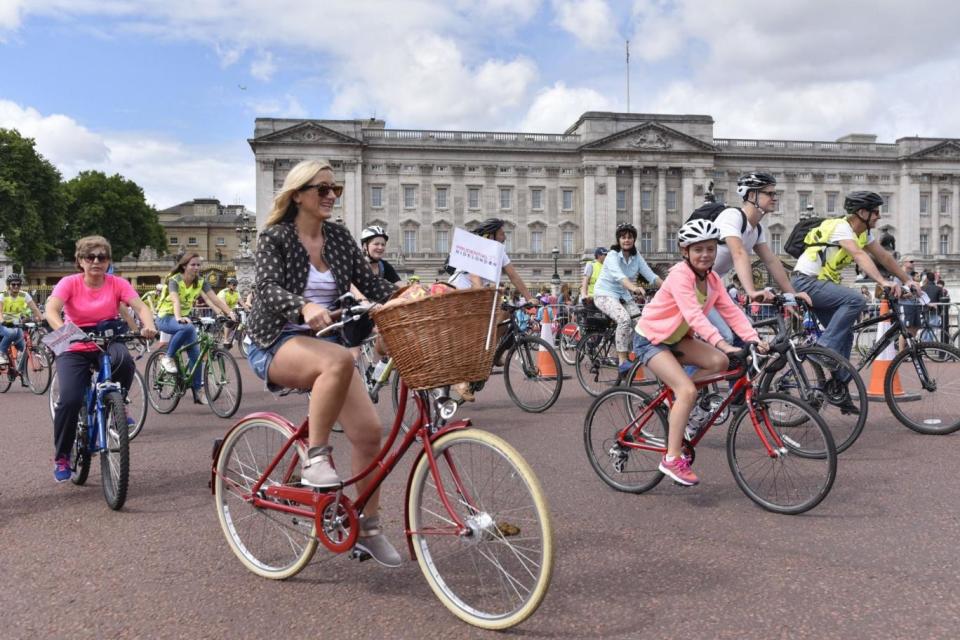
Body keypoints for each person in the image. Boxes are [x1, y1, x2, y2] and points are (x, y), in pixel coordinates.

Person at [244, 159, 400, 566]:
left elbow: (372, 285)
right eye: (323, 189)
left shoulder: (338, 236)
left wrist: (413, 294)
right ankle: (316, 458)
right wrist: (305, 304)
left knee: (369, 434)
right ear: (298, 194)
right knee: (337, 360)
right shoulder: (274, 237)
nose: (332, 195)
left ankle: (368, 529)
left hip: (318, 342)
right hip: (272, 339)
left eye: (336, 189)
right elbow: (265, 287)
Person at [634, 219, 767, 486]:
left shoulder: (714, 279)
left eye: (710, 248)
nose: (705, 254)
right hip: (651, 339)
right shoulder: (679, 276)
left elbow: (731, 312)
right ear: (685, 252)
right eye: (698, 250)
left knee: (720, 362)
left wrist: (754, 339)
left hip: (678, 338)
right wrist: (724, 343)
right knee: (688, 391)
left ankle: (677, 398)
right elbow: (694, 316)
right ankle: (671, 458)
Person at [44, 236, 158, 482]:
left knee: (124, 360)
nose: (96, 261)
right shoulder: (69, 283)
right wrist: (65, 332)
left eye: (102, 257)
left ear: (108, 261)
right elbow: (51, 310)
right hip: (75, 343)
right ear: (80, 261)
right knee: (70, 399)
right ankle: (62, 455)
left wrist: (148, 325)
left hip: (106, 339)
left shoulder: (117, 283)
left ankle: (118, 401)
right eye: (90, 257)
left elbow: (140, 307)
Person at [791, 191, 918, 364]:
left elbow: (885, 257)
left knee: (845, 335)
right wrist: (882, 281)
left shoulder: (863, 234)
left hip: (820, 284)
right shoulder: (841, 227)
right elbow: (858, 255)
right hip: (806, 282)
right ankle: (822, 348)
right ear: (862, 213)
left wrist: (908, 280)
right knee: (856, 300)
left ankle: (837, 386)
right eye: (875, 212)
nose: (879, 216)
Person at [710, 172, 812, 343]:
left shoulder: (756, 229)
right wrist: (751, 291)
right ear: (751, 195)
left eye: (774, 193)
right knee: (725, 337)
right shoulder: (732, 216)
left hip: (713, 287)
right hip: (695, 287)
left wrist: (792, 295)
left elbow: (771, 260)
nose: (775, 198)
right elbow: (739, 252)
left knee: (746, 331)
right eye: (769, 193)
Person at [448, 218, 536, 400]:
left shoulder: (499, 253)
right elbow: (476, 282)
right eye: (502, 233)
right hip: (460, 295)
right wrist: (491, 290)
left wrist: (529, 298)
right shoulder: (473, 251)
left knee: (504, 315)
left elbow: (514, 276)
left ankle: (495, 355)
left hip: (481, 296)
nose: (505, 236)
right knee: (471, 338)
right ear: (491, 235)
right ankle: (459, 381)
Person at [154, 253, 237, 404]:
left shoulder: (200, 282)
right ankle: (168, 358)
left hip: (182, 320)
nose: (196, 267)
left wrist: (229, 312)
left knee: (197, 357)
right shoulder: (174, 280)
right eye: (193, 264)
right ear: (184, 266)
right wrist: (178, 317)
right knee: (188, 328)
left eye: (198, 265)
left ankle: (198, 391)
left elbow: (214, 298)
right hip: (165, 317)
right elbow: (175, 300)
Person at [592, 223, 662, 375]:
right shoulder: (612, 255)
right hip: (605, 294)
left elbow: (651, 276)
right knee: (624, 319)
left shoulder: (637, 257)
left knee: (642, 323)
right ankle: (623, 361)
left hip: (623, 296)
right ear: (618, 240)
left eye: (630, 237)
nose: (626, 240)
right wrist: (634, 288)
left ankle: (637, 351)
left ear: (634, 239)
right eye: (623, 237)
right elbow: (619, 276)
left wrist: (669, 288)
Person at [0, 273, 43, 367]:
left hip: (16, 324)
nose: (16, 286)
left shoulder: (24, 295)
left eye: (18, 284)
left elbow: (35, 309)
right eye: (13, 284)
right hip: (3, 324)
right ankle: (1, 353)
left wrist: (42, 319)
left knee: (24, 350)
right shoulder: (3, 295)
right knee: (11, 333)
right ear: (9, 285)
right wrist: (3, 321)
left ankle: (24, 377)